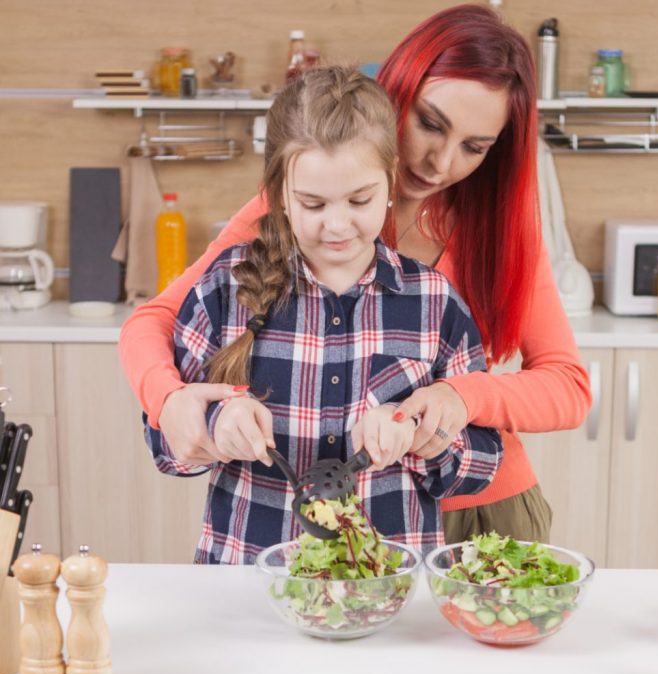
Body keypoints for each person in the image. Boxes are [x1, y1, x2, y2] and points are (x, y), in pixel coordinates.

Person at [120, 4, 591, 545]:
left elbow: (567, 386)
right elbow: (151, 323)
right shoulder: (298, 206)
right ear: (397, 96)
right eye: (430, 124)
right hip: (311, 522)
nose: (440, 162)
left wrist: (460, 398)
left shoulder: (496, 231)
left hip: (482, 507)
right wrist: (172, 402)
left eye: (474, 147)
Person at [144, 66, 502, 564]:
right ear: (281, 195)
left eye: (360, 199)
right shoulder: (226, 288)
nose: (337, 226)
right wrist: (213, 424)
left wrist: (423, 435)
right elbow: (165, 447)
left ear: (391, 181)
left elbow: (480, 464)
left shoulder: (433, 302)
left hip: (386, 592)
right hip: (247, 587)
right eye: (313, 203)